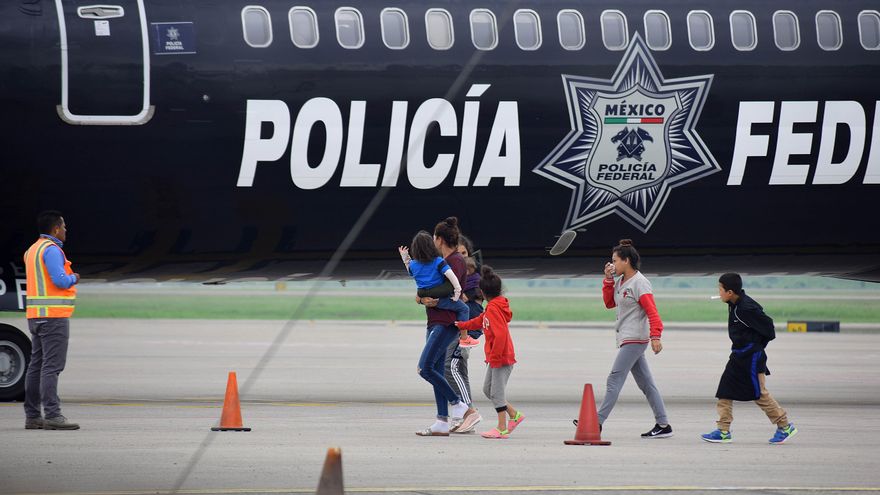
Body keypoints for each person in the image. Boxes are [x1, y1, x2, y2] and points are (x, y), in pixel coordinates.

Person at [701, 273, 798, 445]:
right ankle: (723, 431)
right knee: (725, 390)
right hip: (738, 355)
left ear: (730, 292)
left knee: (759, 393)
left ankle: (784, 426)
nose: (719, 292)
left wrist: (755, 348)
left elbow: (769, 330)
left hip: (751, 356)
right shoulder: (734, 304)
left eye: (720, 289)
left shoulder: (746, 308)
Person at [589, 239, 672, 438]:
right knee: (647, 384)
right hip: (627, 337)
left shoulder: (640, 282)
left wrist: (656, 336)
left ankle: (597, 422)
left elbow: (652, 312)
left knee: (614, 379)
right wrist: (608, 280)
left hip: (635, 338)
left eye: (615, 261)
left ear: (626, 261)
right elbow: (610, 303)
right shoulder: (621, 282)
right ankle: (663, 425)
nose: (612, 264)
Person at [413, 217, 472, 436]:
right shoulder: (440, 260)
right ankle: (442, 421)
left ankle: (459, 404)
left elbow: (449, 291)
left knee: (424, 368)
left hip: (445, 321)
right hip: (436, 319)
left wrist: (425, 295)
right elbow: (424, 286)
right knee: (436, 369)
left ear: (438, 239)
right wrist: (421, 298)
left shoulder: (454, 260)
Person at [23, 211, 80, 430]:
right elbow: (60, 280)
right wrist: (74, 278)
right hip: (53, 317)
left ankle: (33, 416)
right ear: (55, 229)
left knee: (35, 366)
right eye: (64, 227)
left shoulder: (32, 250)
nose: (66, 231)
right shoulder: (52, 250)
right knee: (51, 367)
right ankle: (54, 415)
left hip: (35, 316)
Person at [456, 265, 523, 439]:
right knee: (488, 390)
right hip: (497, 358)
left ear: (483, 293)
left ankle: (502, 428)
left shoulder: (494, 308)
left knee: (496, 394)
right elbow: (480, 321)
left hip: (501, 358)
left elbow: (500, 335)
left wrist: (495, 357)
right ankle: (514, 415)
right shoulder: (493, 307)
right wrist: (463, 325)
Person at [399, 231, 479, 348]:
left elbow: (409, 269)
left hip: (424, 293)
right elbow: (453, 278)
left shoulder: (414, 265)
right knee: (464, 309)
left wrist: (405, 256)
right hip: (440, 301)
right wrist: (457, 292)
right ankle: (464, 337)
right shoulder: (438, 262)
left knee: (431, 351)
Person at [446, 234, 483, 433]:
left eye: (464, 253)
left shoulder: (471, 277)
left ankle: (469, 411)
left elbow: (457, 295)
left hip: (467, 327)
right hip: (461, 326)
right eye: (457, 253)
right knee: (459, 368)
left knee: (449, 366)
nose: (460, 257)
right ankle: (462, 417)